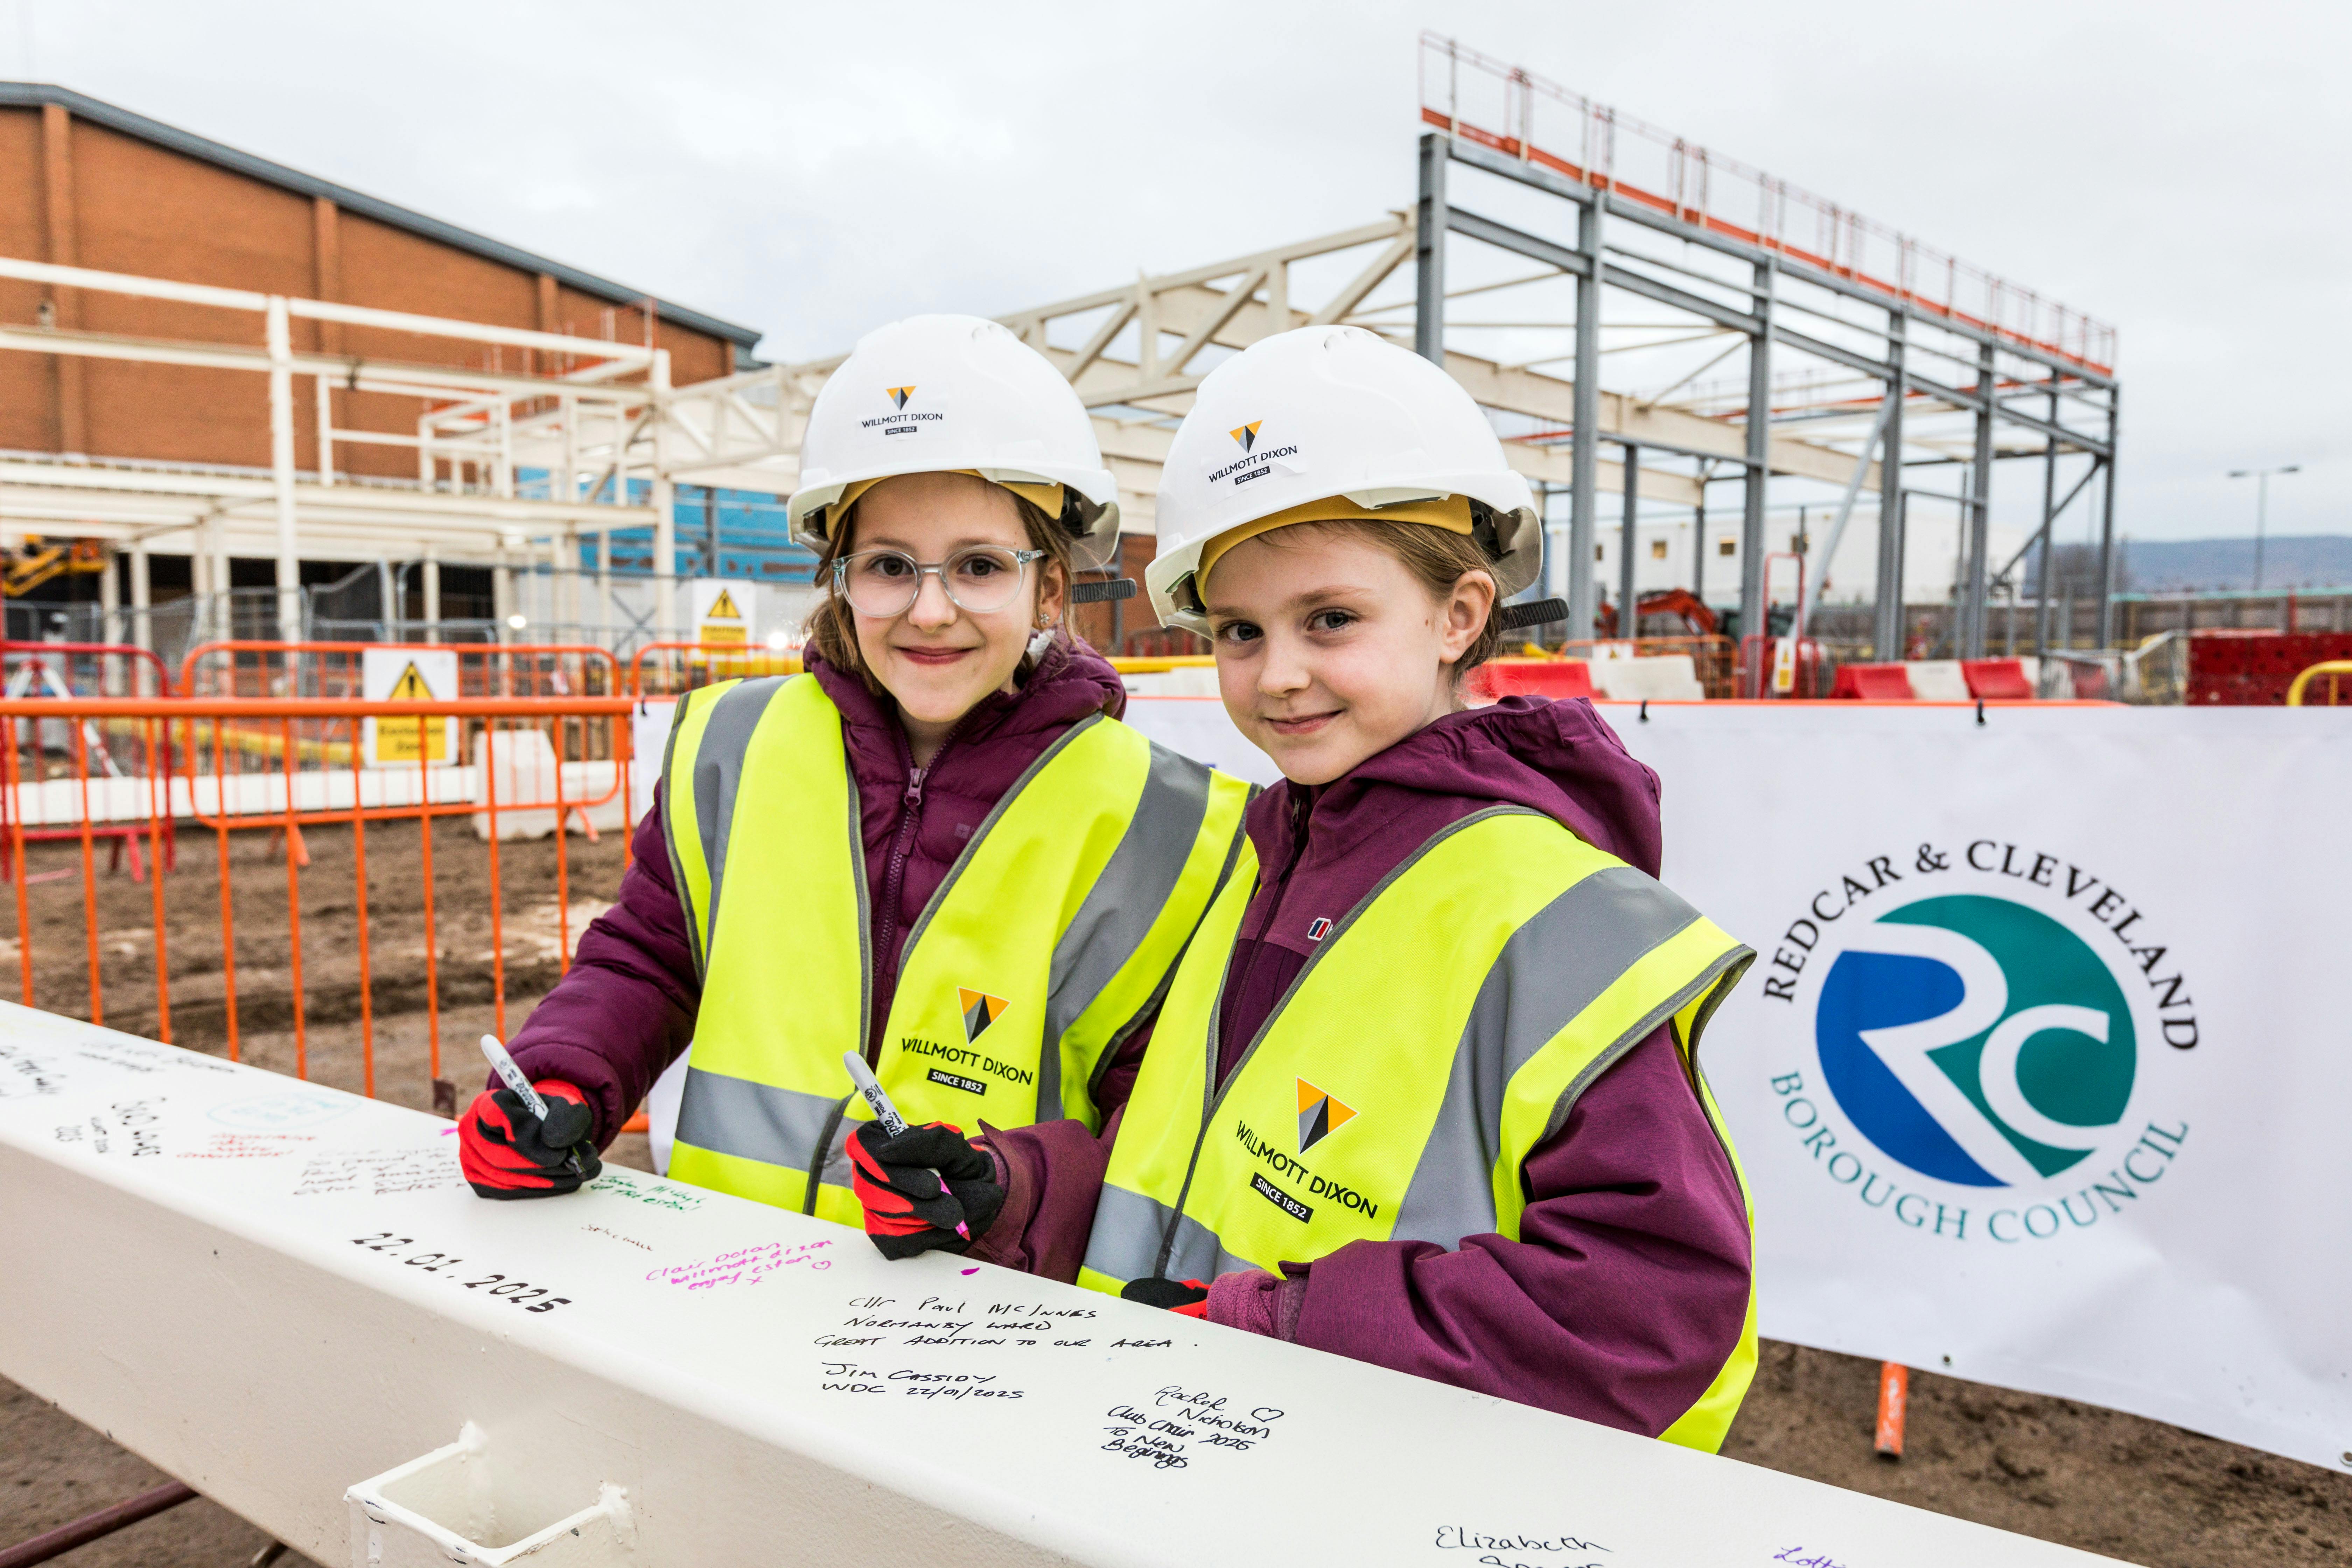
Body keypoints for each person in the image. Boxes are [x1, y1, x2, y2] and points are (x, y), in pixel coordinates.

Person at [853, 326, 1759, 1450]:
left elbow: (1657, 1302)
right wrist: (1014, 1189)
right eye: (1241, 631)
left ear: (1460, 616)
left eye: (1330, 619)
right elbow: (1175, 1161)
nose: (1278, 674)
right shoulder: (1259, 859)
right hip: (1203, 1459)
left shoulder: (1552, 916)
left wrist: (1277, 1328)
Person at [458, 315, 1253, 1246]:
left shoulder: (1171, 823)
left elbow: (1158, 1116)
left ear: (1050, 588)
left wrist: (1011, 1188)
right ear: (840, 576)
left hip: (978, 1314)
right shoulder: (734, 745)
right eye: (887, 567)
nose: (929, 609)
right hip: (727, 1278)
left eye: (980, 567)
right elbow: (650, 957)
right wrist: (565, 1080)